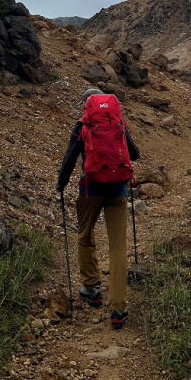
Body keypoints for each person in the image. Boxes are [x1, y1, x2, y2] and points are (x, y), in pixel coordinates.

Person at [56, 88, 140, 329]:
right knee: (117, 247)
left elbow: (70, 158)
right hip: (118, 190)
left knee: (85, 235)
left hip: (90, 189)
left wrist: (61, 183)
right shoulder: (118, 124)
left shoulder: (82, 125)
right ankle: (118, 308)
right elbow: (134, 155)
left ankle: (92, 288)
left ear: (86, 105)